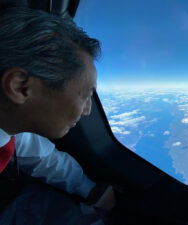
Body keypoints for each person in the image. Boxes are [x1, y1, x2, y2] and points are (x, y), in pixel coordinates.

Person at [0, 6, 115, 225]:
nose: (87, 110)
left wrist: (88, 189)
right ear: (19, 86)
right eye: (85, 95)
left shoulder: (10, 128)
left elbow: (42, 157)